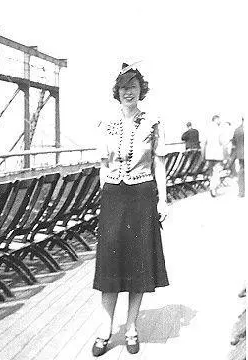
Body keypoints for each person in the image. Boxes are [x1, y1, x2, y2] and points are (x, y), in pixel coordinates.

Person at [92, 63, 169, 356]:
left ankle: (132, 327)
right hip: (113, 196)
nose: (128, 92)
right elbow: (102, 165)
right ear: (117, 91)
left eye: (133, 86)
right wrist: (103, 198)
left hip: (141, 195)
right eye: (123, 87)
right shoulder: (105, 122)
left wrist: (163, 200)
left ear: (141, 90)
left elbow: (159, 163)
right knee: (110, 265)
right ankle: (105, 328)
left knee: (139, 264)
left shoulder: (153, 121)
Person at [202, 114, 225, 197]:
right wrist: (225, 155)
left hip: (209, 154)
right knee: (217, 172)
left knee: (211, 172)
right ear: (216, 119)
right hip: (218, 154)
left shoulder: (207, 129)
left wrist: (203, 155)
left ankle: (212, 187)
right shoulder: (219, 129)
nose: (220, 121)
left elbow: (203, 143)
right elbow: (222, 142)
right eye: (219, 120)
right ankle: (214, 188)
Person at [232, 118, 244, 197]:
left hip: (241, 154)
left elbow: (234, 143)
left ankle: (241, 192)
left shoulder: (237, 130)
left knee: (242, 172)